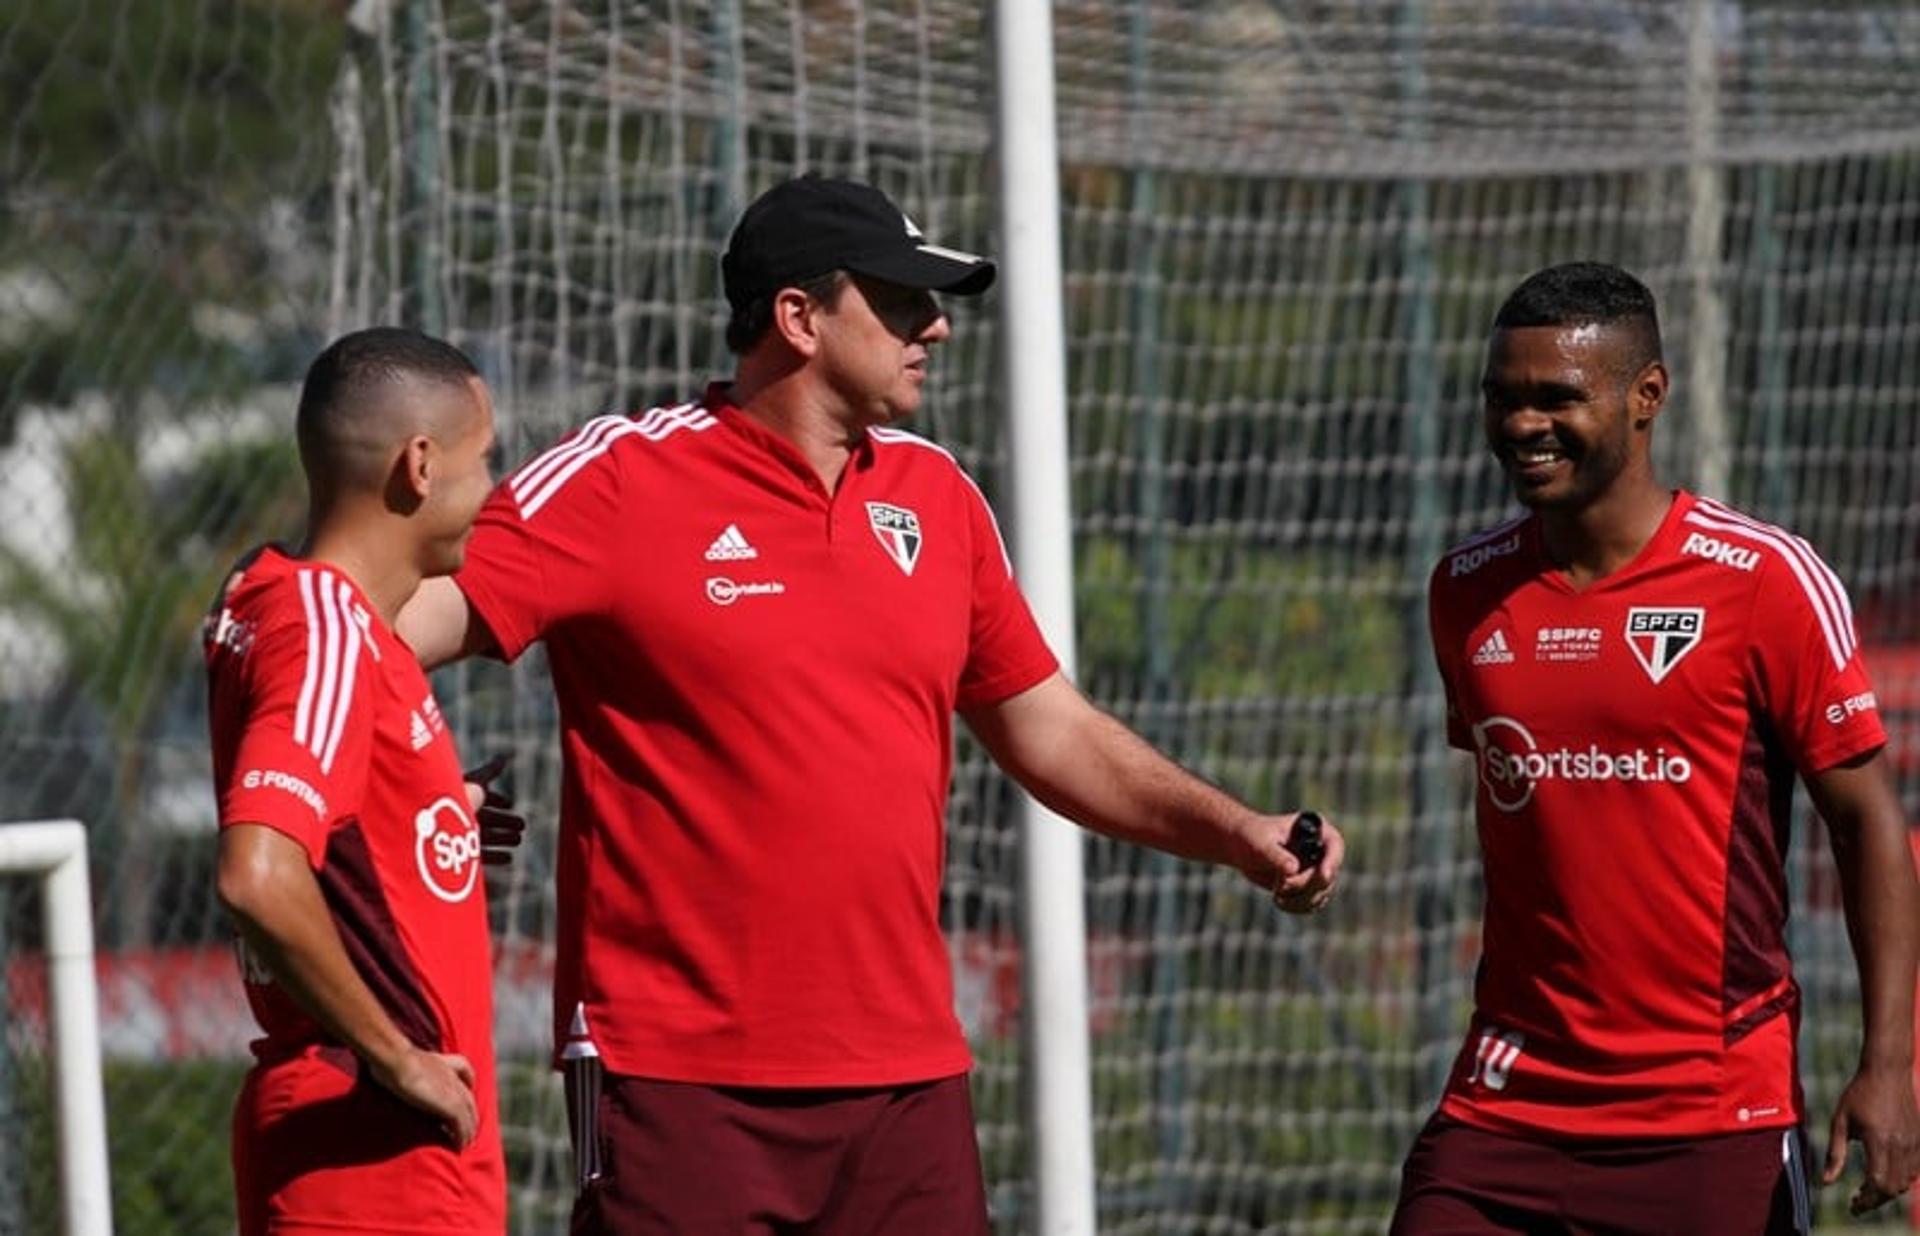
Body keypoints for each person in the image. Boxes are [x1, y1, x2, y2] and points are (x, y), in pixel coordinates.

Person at [397, 173, 1345, 1234]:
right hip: (676, 1076)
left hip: (907, 1083)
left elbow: (1051, 728)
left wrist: (1238, 832)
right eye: (900, 301)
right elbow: (378, 638)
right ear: (799, 318)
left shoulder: (937, 499)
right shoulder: (621, 479)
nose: (934, 326)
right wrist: (411, 786)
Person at [1394, 262, 1920, 1234]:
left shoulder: (1764, 581)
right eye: (1502, 399)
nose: (1522, 424)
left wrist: (1892, 1066)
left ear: (1648, 398)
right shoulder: (1464, 592)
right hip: (1504, 1105)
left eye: (1557, 397)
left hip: (1709, 1112)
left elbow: (1868, 825)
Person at [205, 327, 515, 1235]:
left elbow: (325, 826)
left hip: (368, 1147)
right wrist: (397, 1056)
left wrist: (426, 813)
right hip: (373, 1154)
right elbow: (257, 871)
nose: (491, 490)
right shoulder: (326, 624)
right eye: (484, 461)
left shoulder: (274, 600)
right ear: (419, 466)